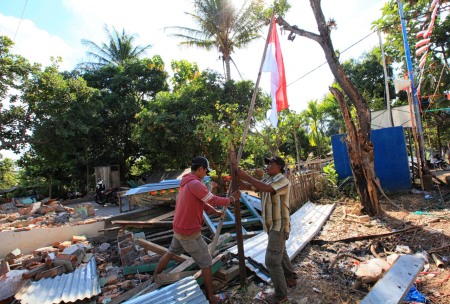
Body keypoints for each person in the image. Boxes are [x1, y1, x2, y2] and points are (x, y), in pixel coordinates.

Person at [152, 156, 241, 304]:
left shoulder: (186, 181)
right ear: (200, 169)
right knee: (206, 263)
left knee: (170, 252)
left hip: (179, 229)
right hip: (189, 233)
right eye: (206, 171)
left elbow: (204, 202)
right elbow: (212, 199)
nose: (206, 174)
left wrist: (215, 212)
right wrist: (231, 199)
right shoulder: (195, 184)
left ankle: (154, 277)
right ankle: (212, 297)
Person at [237, 156, 297, 304]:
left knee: (271, 261)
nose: (268, 165)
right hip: (271, 226)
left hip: (279, 226)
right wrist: (235, 178)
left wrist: (246, 176)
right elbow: (250, 187)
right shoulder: (267, 180)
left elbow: (266, 189)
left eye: (271, 163)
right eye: (267, 163)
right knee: (280, 253)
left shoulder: (282, 181)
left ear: (280, 167)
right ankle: (290, 278)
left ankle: (281, 294)